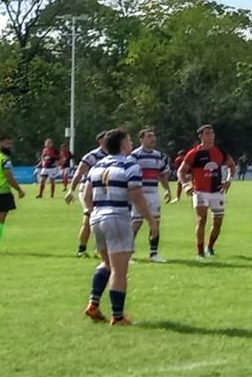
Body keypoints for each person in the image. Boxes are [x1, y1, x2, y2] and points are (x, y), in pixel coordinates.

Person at [82, 128, 156, 326]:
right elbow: (136, 194)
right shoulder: (130, 164)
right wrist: (150, 219)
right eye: (129, 140)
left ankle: (94, 304)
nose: (131, 143)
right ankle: (118, 316)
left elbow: (86, 196)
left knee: (107, 264)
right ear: (123, 144)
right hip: (118, 217)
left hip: (97, 218)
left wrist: (93, 213)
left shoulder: (97, 165)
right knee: (119, 270)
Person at [180, 125, 235, 258]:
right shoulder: (194, 153)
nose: (210, 136)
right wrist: (185, 185)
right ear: (201, 136)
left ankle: (209, 247)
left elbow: (232, 165)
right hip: (200, 192)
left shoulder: (220, 152)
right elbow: (181, 171)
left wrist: (229, 180)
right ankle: (199, 252)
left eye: (212, 133)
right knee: (201, 219)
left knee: (218, 223)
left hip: (217, 191)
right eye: (207, 133)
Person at [65, 131, 110, 257]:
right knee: (89, 217)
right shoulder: (92, 156)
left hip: (104, 190)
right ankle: (82, 249)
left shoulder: (113, 154)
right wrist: (71, 190)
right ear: (101, 142)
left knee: (104, 220)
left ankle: (99, 249)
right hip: (88, 189)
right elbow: (79, 173)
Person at [129, 127, 170, 263]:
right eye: (149, 136)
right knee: (136, 223)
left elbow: (163, 174)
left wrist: (167, 190)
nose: (153, 138)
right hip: (139, 192)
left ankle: (154, 253)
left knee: (155, 223)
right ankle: (128, 252)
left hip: (153, 192)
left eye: (153, 136)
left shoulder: (159, 155)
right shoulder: (134, 156)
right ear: (141, 139)